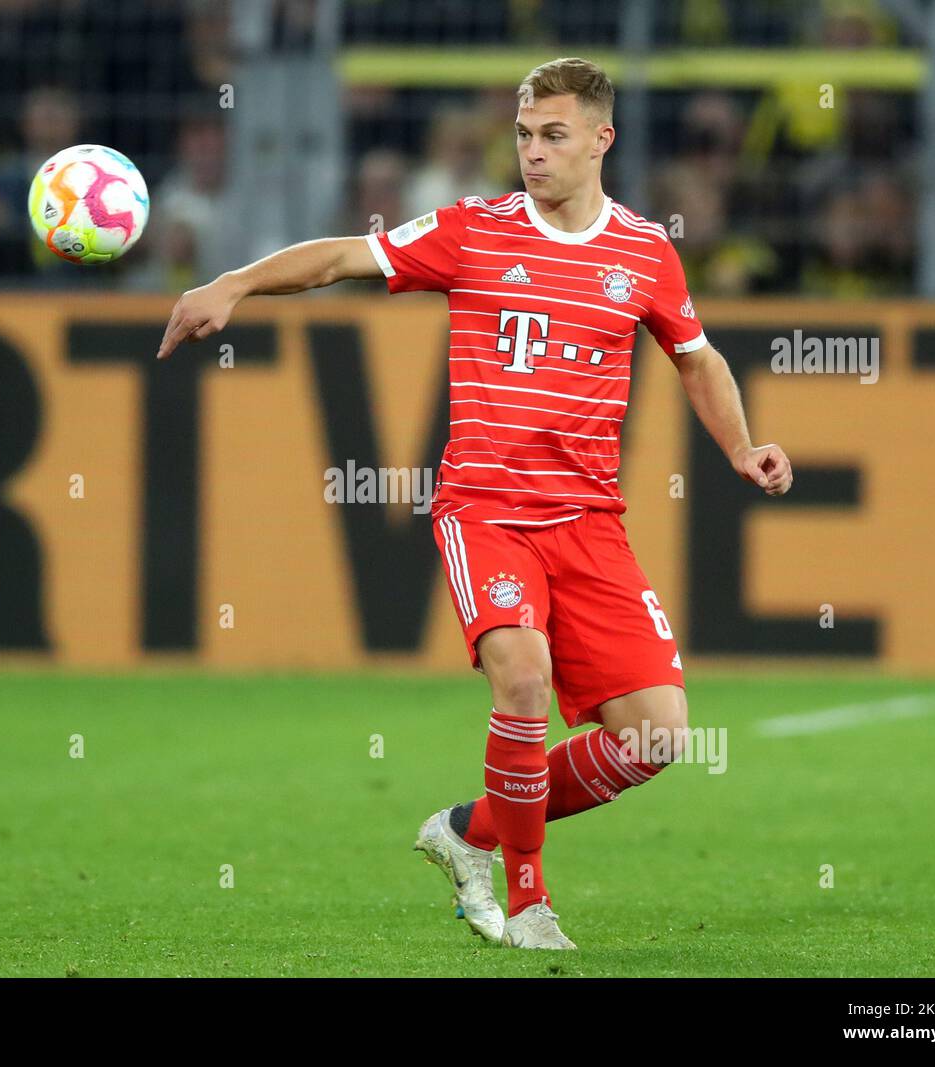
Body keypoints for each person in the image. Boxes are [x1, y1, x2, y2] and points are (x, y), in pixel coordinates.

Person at [155, 57, 793, 950]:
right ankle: (528, 904)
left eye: (553, 135)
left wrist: (741, 446)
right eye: (525, 134)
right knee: (524, 679)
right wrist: (233, 283)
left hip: (589, 522)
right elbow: (343, 255)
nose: (532, 152)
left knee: (655, 738)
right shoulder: (473, 231)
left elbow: (696, 356)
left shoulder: (644, 250)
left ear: (601, 139)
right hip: (486, 510)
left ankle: (467, 832)